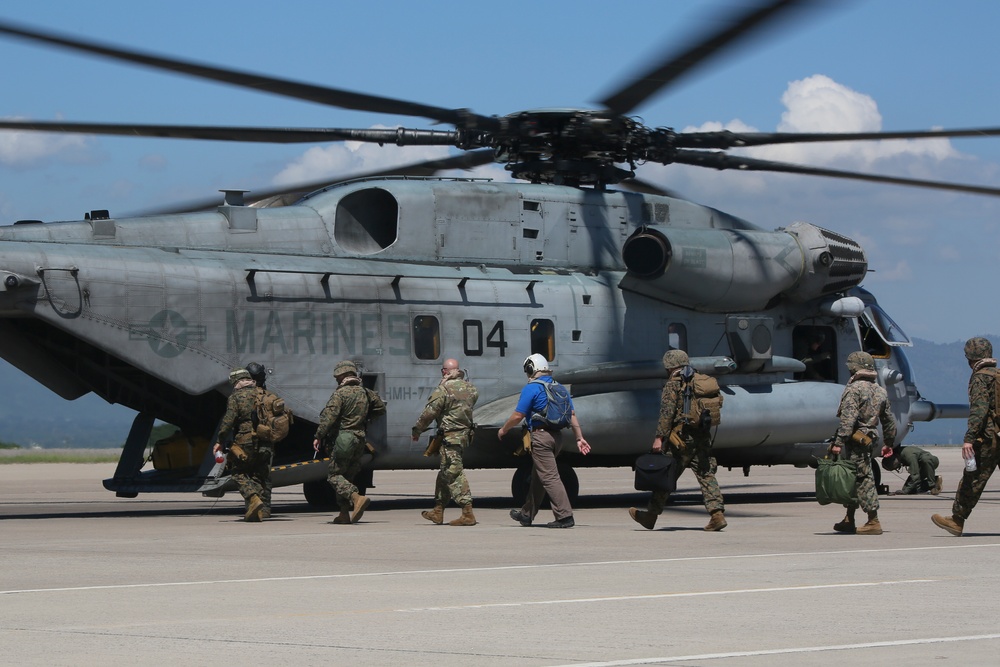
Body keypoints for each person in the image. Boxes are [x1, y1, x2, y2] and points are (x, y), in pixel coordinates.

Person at [629, 349, 728, 532]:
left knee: (666, 475)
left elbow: (667, 414)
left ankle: (650, 516)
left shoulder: (674, 384)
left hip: (680, 440)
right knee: (706, 475)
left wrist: (659, 438)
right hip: (702, 436)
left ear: (670, 366)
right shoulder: (700, 379)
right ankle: (717, 514)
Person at [498, 353, 591, 528]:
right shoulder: (560, 388)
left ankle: (564, 516)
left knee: (549, 477)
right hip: (557, 438)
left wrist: (504, 429)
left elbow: (518, 414)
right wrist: (579, 437)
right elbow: (571, 414)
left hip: (541, 437)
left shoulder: (531, 388)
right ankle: (526, 514)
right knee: (538, 477)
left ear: (531, 369)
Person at [933, 337, 997, 536]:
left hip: (989, 439)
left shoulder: (980, 376)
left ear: (969, 357)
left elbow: (980, 410)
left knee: (973, 479)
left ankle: (957, 520)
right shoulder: (998, 375)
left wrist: (969, 438)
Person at [828, 351, 897, 535]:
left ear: (853, 368)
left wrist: (838, 441)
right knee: (854, 477)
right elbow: (889, 420)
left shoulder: (854, 389)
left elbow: (848, 419)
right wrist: (889, 442)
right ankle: (849, 519)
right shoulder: (880, 390)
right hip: (870, 438)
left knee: (862, 477)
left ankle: (873, 520)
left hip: (855, 439)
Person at [312, 360, 386, 525]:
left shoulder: (340, 394)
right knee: (348, 476)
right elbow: (381, 408)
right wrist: (366, 418)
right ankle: (344, 513)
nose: (337, 380)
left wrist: (318, 436)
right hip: (360, 438)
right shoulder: (366, 393)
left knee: (334, 476)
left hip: (343, 437)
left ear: (343, 376)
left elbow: (328, 418)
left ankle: (356, 497)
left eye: (338, 377)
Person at [411, 358, 479, 526]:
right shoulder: (471, 389)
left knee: (454, 472)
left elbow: (429, 413)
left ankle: (467, 512)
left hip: (450, 437)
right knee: (444, 474)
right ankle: (438, 510)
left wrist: (417, 430)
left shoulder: (444, 389)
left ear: (444, 372)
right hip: (463, 436)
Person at [212, 368, 268, 522]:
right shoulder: (263, 393)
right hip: (266, 440)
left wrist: (219, 441)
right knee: (258, 474)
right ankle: (257, 511)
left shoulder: (236, 397)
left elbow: (228, 422)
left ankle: (253, 499)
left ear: (236, 382)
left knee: (238, 472)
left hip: (246, 439)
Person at [244, 361, 283, 518]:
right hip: (266, 442)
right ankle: (265, 509)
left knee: (247, 475)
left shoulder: (242, 397)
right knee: (264, 476)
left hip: (247, 442)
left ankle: (252, 505)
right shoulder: (271, 397)